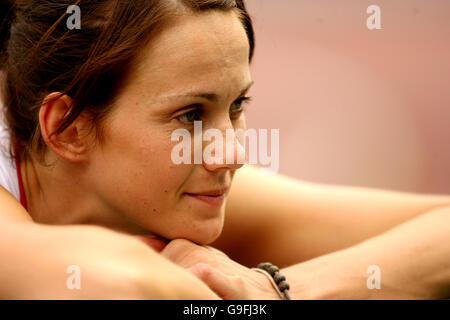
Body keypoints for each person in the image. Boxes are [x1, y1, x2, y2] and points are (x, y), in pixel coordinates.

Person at [1, 0, 449, 299]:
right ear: (67, 128)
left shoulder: (176, 187)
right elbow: (120, 284)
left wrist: (273, 290)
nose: (232, 153)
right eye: (190, 115)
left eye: (237, 106)